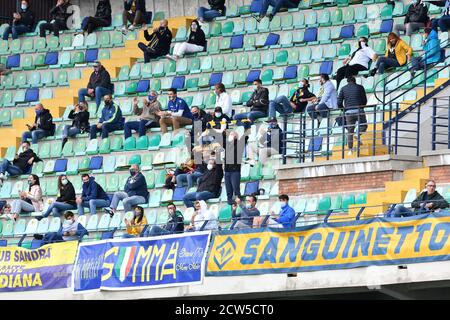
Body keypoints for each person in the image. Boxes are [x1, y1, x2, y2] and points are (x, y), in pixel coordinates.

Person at [337, 77, 368, 154]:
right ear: (355, 81)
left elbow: (339, 102)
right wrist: (361, 107)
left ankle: (350, 149)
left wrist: (343, 109)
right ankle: (358, 134)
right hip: (358, 110)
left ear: (347, 82)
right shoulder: (360, 87)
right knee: (363, 125)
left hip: (348, 112)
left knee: (350, 131)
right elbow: (364, 100)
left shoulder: (343, 88)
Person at [224, 131, 245, 205]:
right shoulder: (227, 144)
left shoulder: (239, 144)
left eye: (233, 134)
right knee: (228, 189)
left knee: (236, 188)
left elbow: (245, 138)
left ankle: (238, 200)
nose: (231, 135)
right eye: (230, 134)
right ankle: (230, 201)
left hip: (235, 170)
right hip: (227, 171)